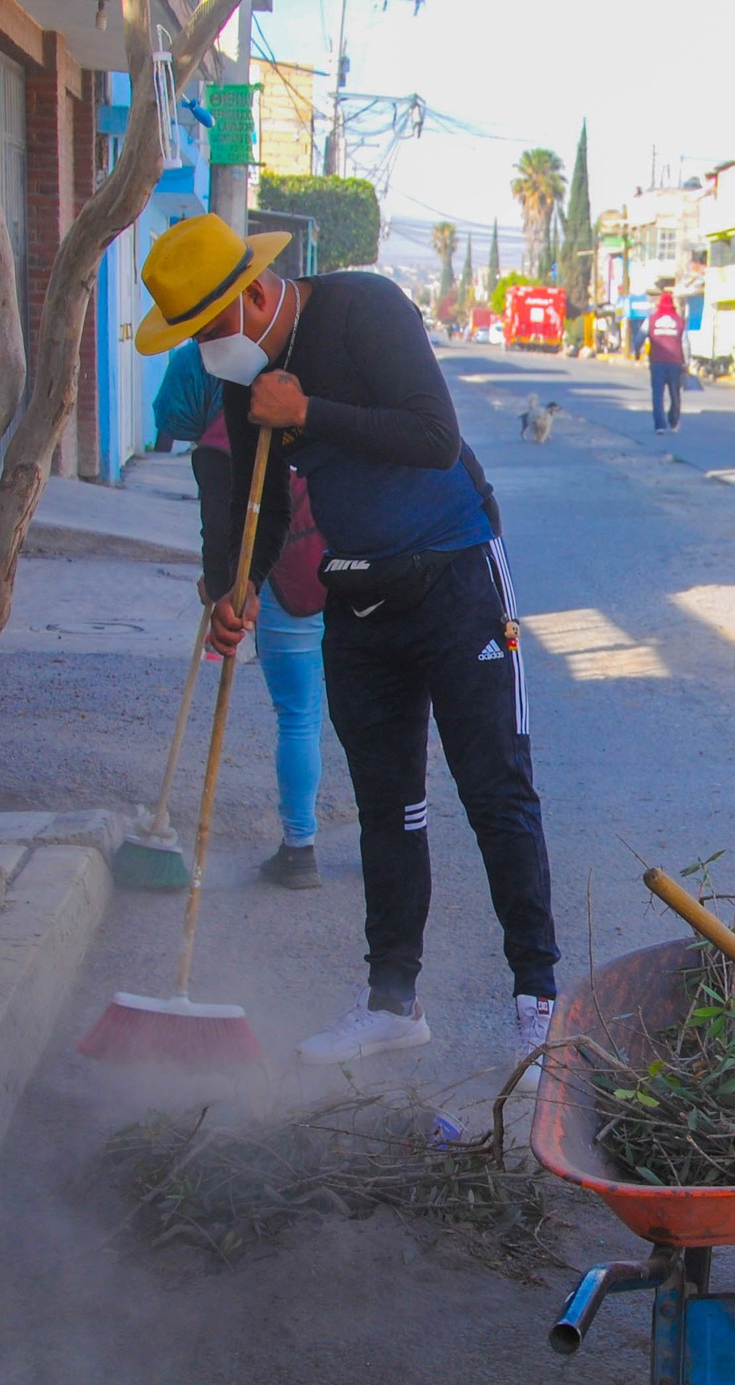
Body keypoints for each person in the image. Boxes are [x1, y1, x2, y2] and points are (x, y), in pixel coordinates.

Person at [135, 213, 560, 1071]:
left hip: (455, 577)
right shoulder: (243, 377)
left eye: (210, 329)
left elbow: (433, 435)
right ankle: (391, 1001)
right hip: (359, 599)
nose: (207, 351)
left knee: (495, 793)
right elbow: (258, 504)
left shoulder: (364, 309)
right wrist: (237, 588)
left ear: (254, 295)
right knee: (388, 806)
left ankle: (538, 1002)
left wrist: (312, 411)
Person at [153, 342, 330, 892]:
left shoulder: (217, 441)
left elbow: (220, 531)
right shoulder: (296, 388)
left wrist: (223, 589)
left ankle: (300, 850)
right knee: (364, 712)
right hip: (343, 561)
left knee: (299, 714)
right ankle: (388, 842)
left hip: (284, 580)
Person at [646, 289, 687, 433]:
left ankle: (660, 425)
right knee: (675, 393)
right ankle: (674, 421)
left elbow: (640, 335)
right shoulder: (679, 321)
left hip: (656, 362)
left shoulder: (651, 320)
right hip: (675, 363)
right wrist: (686, 361)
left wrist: (636, 349)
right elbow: (685, 343)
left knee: (657, 394)